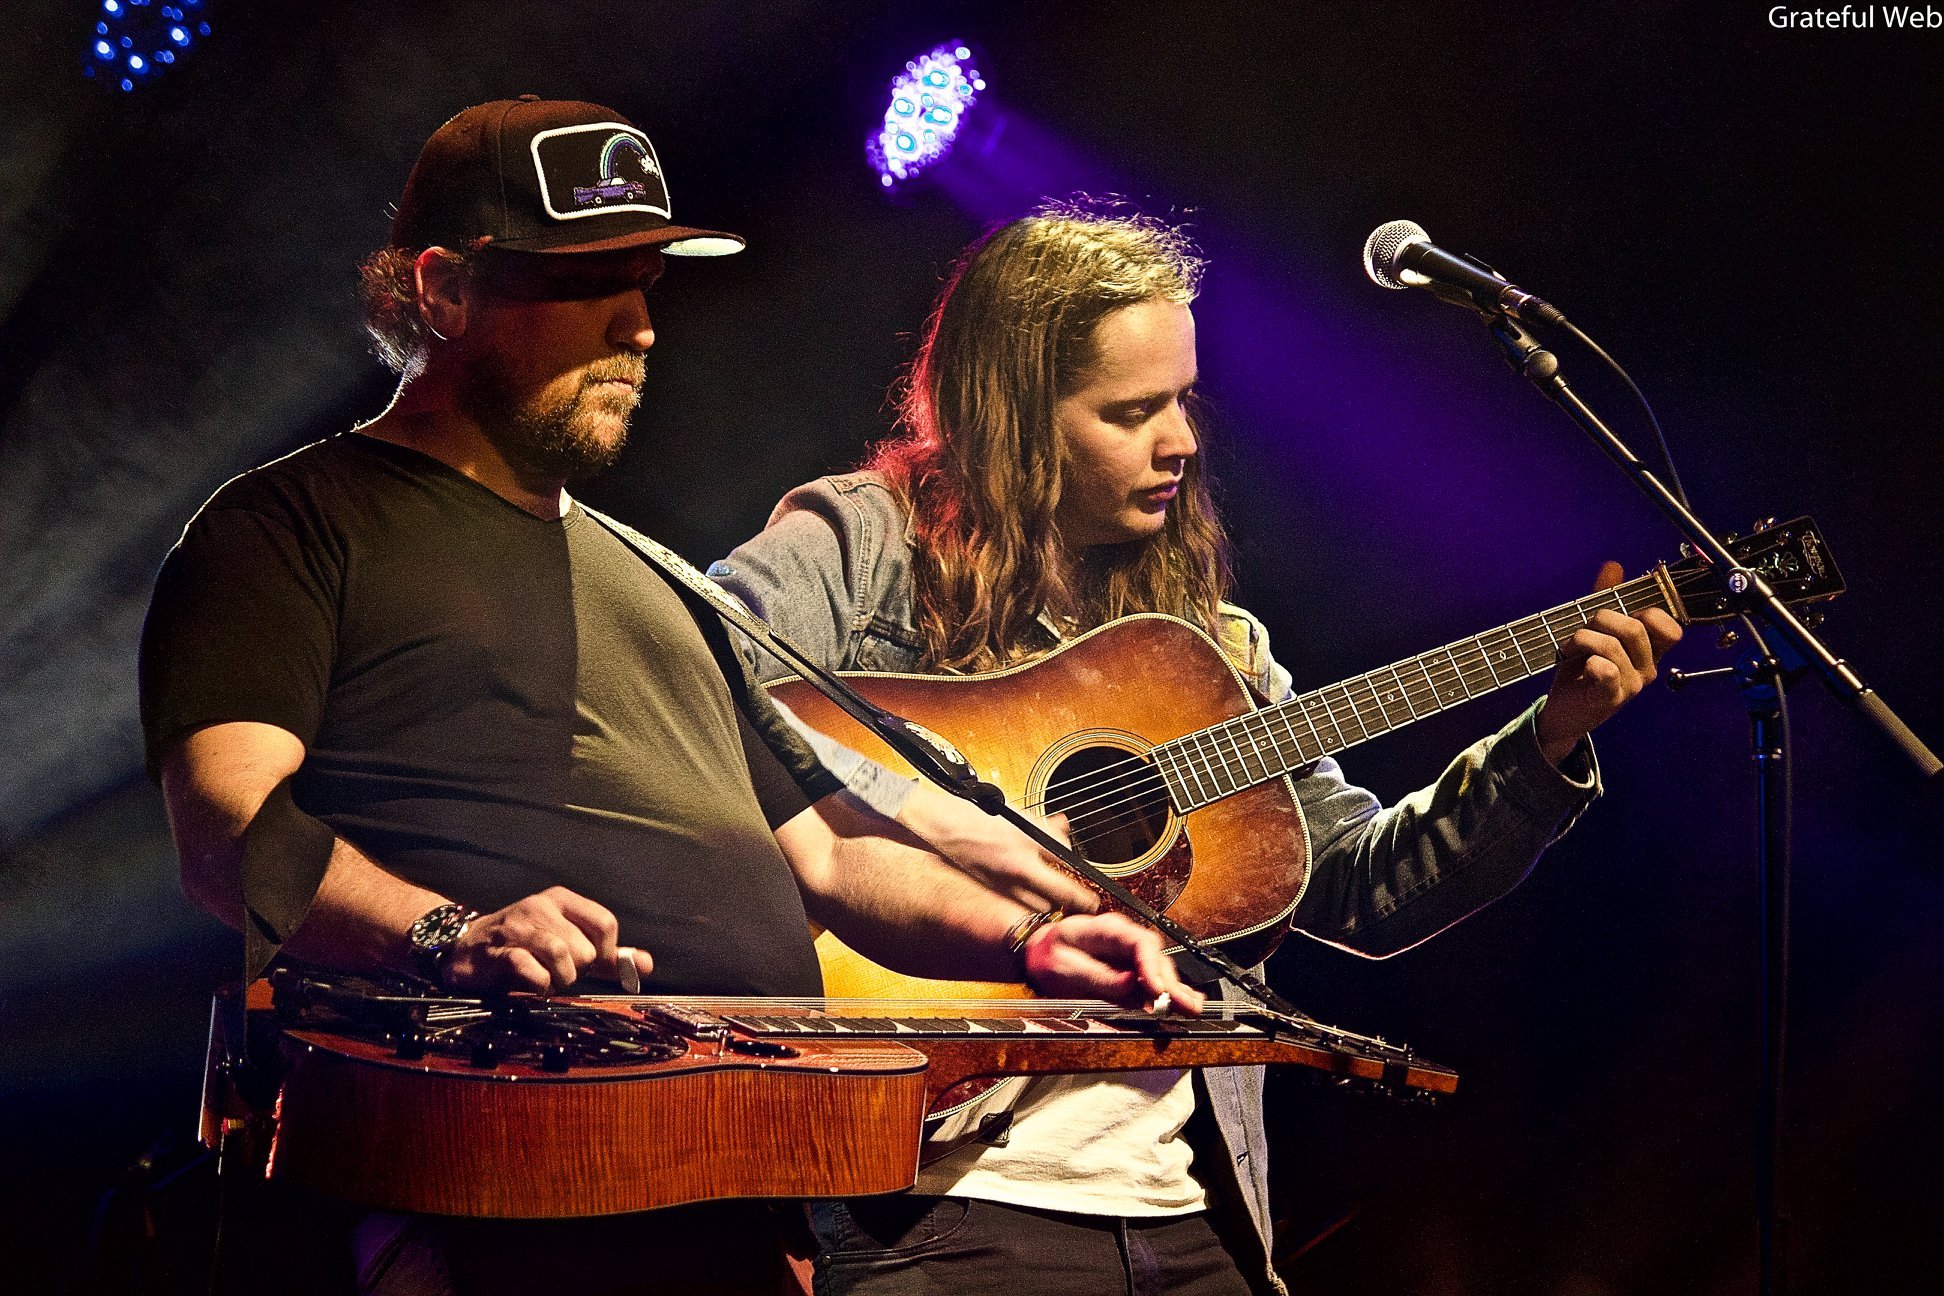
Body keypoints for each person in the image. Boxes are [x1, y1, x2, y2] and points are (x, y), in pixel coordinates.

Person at [138, 103, 1199, 1296]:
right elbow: (227, 831)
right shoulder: (286, 527)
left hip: (736, 1197)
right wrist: (449, 933)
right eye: (587, 282)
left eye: (645, 283)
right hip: (491, 1193)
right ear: (440, 291)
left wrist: (1029, 941)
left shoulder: (668, 582)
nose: (640, 325)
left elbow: (834, 862)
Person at [709, 202, 1683, 1295]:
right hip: (938, 1208)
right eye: (1132, 411)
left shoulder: (1210, 650)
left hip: (1189, 1219)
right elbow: (695, 701)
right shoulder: (860, 545)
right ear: (1015, 416)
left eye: (1181, 399)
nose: (1180, 440)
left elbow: (1360, 890)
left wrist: (1550, 740)